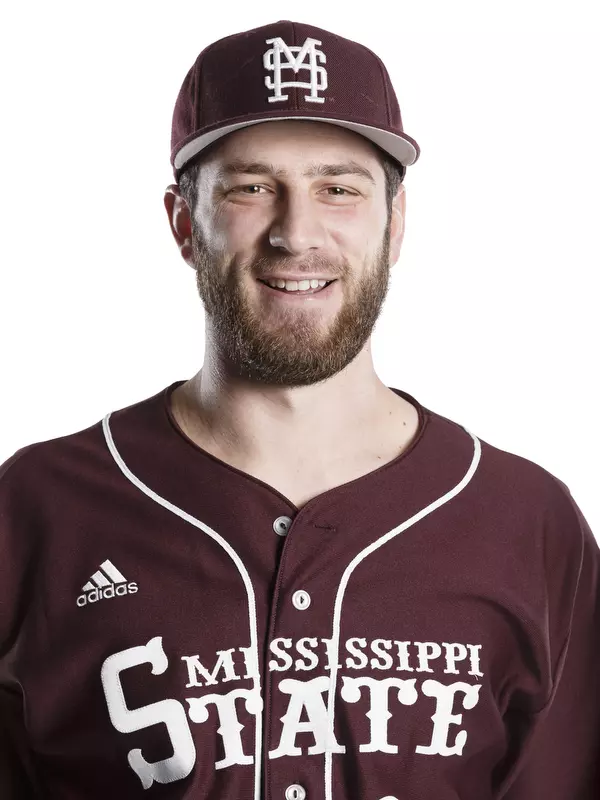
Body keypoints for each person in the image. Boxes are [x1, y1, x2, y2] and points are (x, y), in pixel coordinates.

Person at [1, 18, 598, 800]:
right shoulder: (35, 510)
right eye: (251, 187)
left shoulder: (526, 524)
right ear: (184, 224)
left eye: (338, 189)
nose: (296, 233)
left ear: (395, 224)